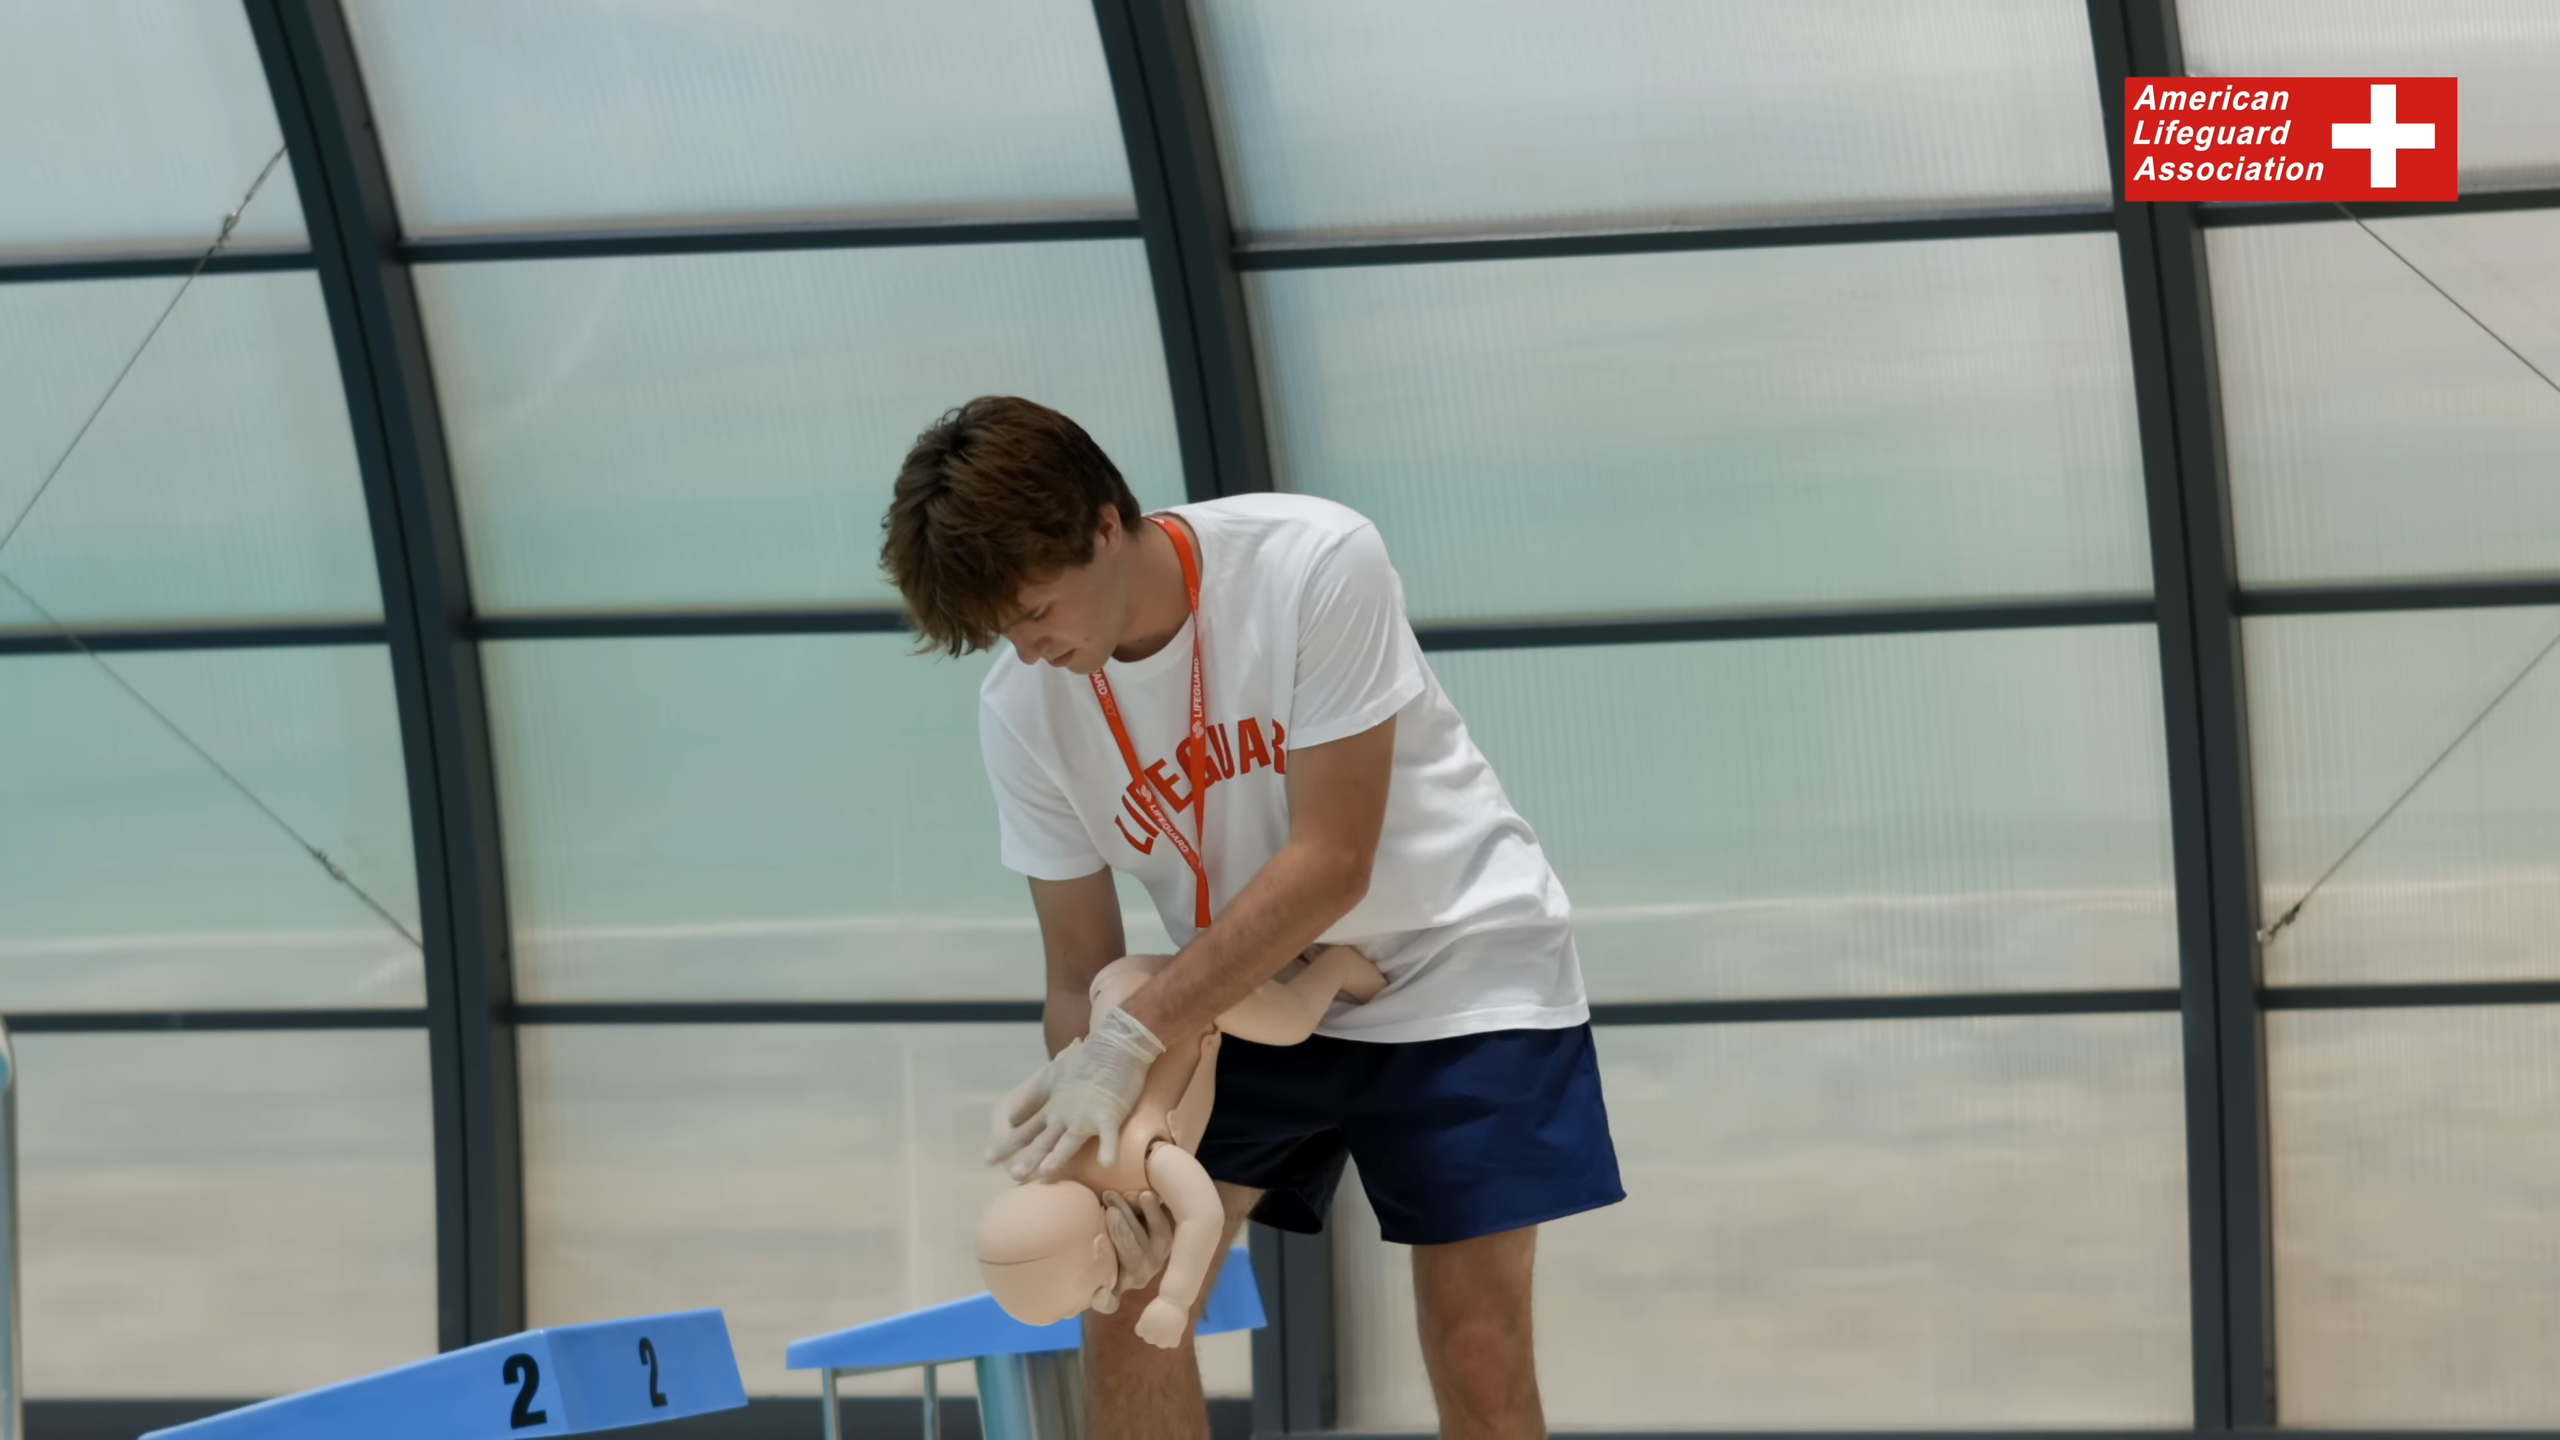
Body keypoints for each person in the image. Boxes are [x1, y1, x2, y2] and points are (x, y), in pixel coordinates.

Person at [881, 395, 1622, 1440]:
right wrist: (1111, 1155)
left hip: (1455, 960)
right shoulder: (1020, 706)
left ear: (1103, 523)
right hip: (1238, 994)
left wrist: (1136, 1035)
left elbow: (1331, 864)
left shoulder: (1312, 561)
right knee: (1127, 1300)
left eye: (1036, 610)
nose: (1028, 647)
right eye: (1001, 630)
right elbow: (1075, 974)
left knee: (1476, 1341)